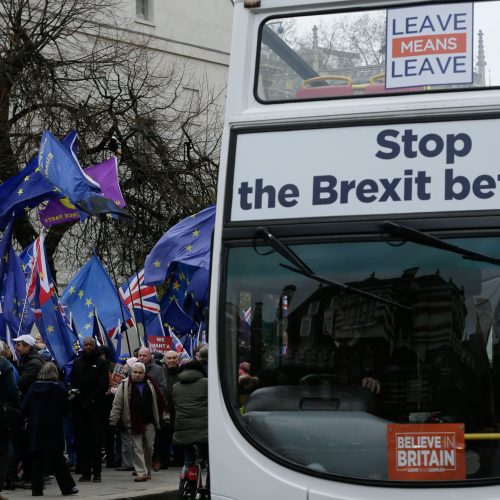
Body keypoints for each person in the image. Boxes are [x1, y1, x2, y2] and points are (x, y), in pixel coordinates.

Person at [22, 363, 78, 497]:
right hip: (53, 428)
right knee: (57, 459)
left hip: (36, 428)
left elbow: (24, 407)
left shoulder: (32, 388)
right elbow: (65, 409)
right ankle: (67, 487)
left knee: (36, 459)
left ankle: (36, 490)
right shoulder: (58, 389)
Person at [109, 362, 168, 482]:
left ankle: (147, 470)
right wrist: (113, 420)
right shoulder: (125, 385)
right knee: (137, 448)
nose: (137, 375)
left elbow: (160, 401)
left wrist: (165, 416)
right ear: (131, 372)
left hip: (149, 421)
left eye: (140, 373)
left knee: (149, 447)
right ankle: (141, 472)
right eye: (135, 372)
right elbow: (117, 404)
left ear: (144, 373)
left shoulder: (151, 384)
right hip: (133, 422)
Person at [70, 337, 109, 483]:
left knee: (95, 442)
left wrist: (92, 399)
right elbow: (73, 381)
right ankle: (85, 472)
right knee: (82, 441)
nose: (87, 347)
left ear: (94, 346)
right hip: (80, 408)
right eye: (85, 345)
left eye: (90, 345)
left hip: (96, 408)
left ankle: (97, 473)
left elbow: (103, 384)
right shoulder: (77, 362)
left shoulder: (101, 363)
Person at [172, 359, 208, 476]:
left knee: (188, 452)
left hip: (182, 425)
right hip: (204, 425)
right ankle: (209, 478)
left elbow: (174, 405)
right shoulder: (206, 383)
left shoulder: (176, 386)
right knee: (207, 451)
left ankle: (186, 470)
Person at [137, 347, 168, 471]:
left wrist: (152, 398)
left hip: (153, 409)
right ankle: (140, 467)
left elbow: (163, 388)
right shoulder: (134, 369)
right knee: (137, 443)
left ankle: (153, 460)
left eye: (144, 355)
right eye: (140, 355)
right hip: (137, 410)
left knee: (152, 441)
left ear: (150, 357)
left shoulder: (158, 369)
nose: (142, 358)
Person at [0, 350, 19, 500]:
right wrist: (16, 408)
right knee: (2, 452)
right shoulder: (4, 364)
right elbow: (12, 390)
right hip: (1, 415)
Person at [13, 335, 44, 400]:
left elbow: (20, 382)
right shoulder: (25, 359)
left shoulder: (34, 363)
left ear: (28, 347)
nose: (15, 347)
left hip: (32, 399)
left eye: (18, 345)